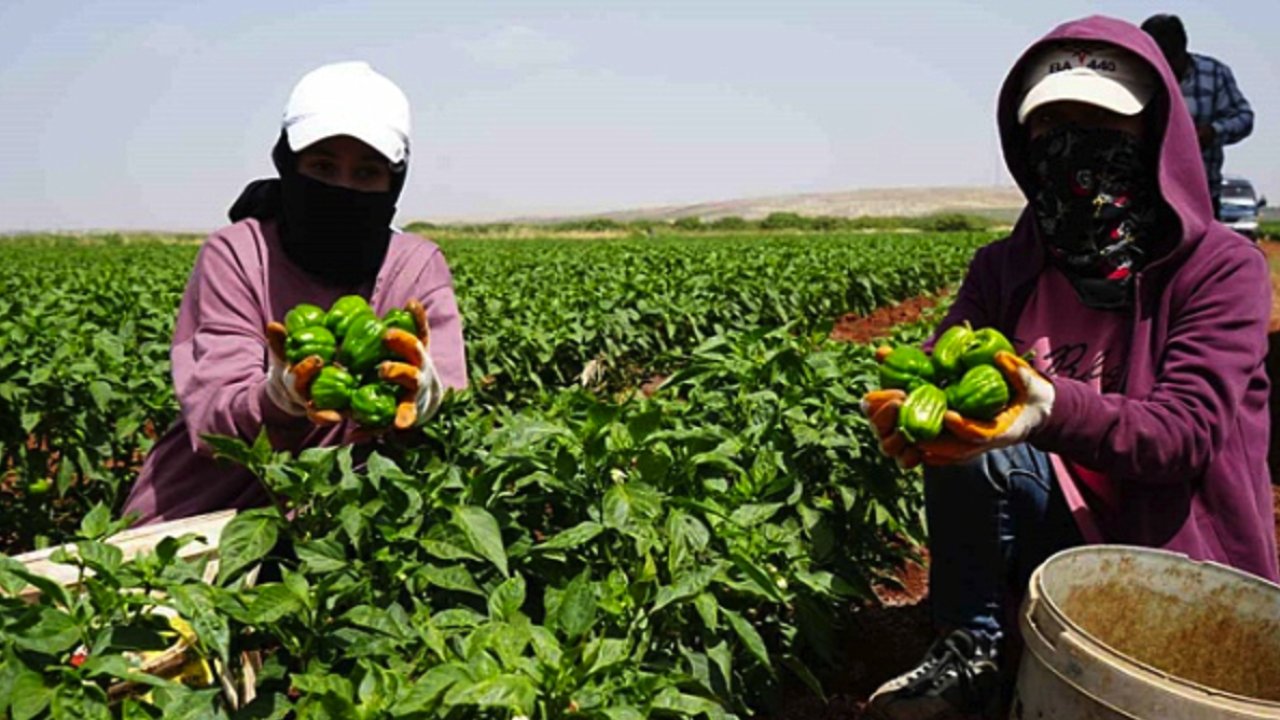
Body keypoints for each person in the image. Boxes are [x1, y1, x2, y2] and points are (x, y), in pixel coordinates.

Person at [861, 16, 1277, 720]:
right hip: (1052, 529)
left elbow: (1184, 435)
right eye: (1052, 127)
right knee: (976, 453)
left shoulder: (1220, 270)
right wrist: (914, 411)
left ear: (1157, 135)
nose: (1072, 150)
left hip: (1171, 551)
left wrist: (1049, 405)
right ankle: (976, 649)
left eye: (1101, 125)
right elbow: (941, 366)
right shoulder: (1004, 268)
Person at [122, 61, 468, 525]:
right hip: (210, 513)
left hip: (346, 523)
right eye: (323, 167)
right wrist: (278, 399)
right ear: (288, 164)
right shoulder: (239, 254)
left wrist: (428, 397)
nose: (342, 189)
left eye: (367, 173)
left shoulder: (414, 267)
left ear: (393, 182)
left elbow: (449, 402)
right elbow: (212, 417)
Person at [1141, 13, 1254, 219]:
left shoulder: (1214, 73)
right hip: (1147, 195)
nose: (1164, 68)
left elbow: (1244, 118)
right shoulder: (1138, 76)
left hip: (1201, 196)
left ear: (1182, 48)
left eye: (1169, 58)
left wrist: (1213, 132)